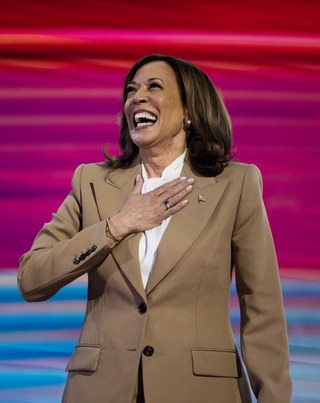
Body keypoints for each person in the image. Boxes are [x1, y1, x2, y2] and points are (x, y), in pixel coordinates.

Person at [18, 54, 292, 403]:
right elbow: (31, 279)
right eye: (131, 90)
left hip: (200, 390)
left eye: (154, 87)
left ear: (189, 111)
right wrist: (117, 226)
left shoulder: (235, 185)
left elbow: (261, 307)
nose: (137, 97)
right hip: (100, 390)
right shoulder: (92, 182)